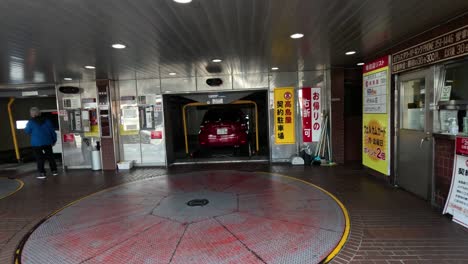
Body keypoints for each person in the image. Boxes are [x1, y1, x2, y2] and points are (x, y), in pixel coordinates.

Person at [24, 107, 58, 179]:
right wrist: (54, 140)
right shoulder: (47, 121)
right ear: (39, 113)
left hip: (36, 143)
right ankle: (54, 171)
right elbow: (53, 132)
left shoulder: (30, 122)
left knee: (39, 158)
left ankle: (42, 173)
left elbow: (27, 131)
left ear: (32, 114)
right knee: (50, 157)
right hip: (47, 142)